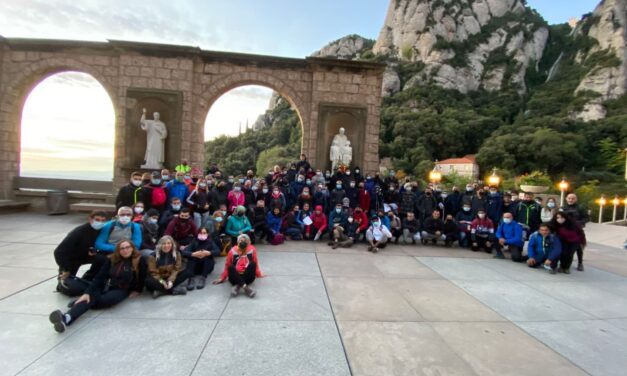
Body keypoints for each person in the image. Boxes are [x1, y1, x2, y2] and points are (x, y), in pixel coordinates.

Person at [48, 240, 146, 333]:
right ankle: (66, 318)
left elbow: (142, 276)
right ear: (118, 250)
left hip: (121, 289)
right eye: (122, 248)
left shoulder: (139, 260)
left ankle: (76, 305)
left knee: (101, 301)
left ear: (132, 248)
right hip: (106, 285)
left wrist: (138, 290)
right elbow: (100, 277)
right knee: (88, 297)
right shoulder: (112, 259)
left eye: (127, 247)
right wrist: (87, 293)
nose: (125, 250)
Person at [54, 211, 109, 289]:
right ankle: (63, 279)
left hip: (88, 255)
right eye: (97, 220)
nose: (100, 222)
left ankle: (89, 278)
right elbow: (59, 252)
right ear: (90, 219)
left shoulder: (103, 231)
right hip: (72, 259)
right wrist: (66, 269)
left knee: (104, 259)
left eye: (103, 220)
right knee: (67, 286)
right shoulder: (79, 232)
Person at [561, 193, 589, 271]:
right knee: (565, 248)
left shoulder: (580, 208)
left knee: (579, 248)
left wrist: (578, 223)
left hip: (577, 231)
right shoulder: (563, 208)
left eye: (572, 198)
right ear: (566, 199)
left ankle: (580, 263)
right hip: (565, 230)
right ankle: (564, 264)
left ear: (576, 199)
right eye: (569, 198)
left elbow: (587, 218)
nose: (571, 200)